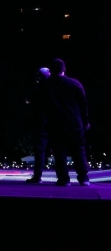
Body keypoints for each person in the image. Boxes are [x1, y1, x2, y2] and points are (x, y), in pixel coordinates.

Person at [42, 58, 91, 186]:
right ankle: (83, 178)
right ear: (64, 69)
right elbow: (83, 104)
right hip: (74, 122)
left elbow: (41, 105)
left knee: (59, 152)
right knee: (79, 150)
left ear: (51, 70)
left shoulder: (46, 85)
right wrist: (85, 121)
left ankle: (63, 179)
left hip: (55, 123)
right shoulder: (75, 84)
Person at [26, 67, 51, 184]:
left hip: (40, 122)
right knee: (60, 149)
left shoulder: (37, 89)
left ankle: (37, 176)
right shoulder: (55, 88)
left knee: (39, 150)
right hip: (55, 121)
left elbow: (28, 101)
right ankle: (63, 177)